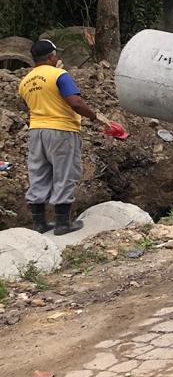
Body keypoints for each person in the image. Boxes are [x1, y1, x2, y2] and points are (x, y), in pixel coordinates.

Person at [18, 39, 111, 234]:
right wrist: (95, 116)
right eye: (55, 55)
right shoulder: (60, 75)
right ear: (51, 57)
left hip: (36, 131)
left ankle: (40, 224)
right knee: (65, 173)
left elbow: (32, 105)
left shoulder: (25, 82)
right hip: (61, 130)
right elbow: (75, 103)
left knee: (39, 173)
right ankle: (62, 224)